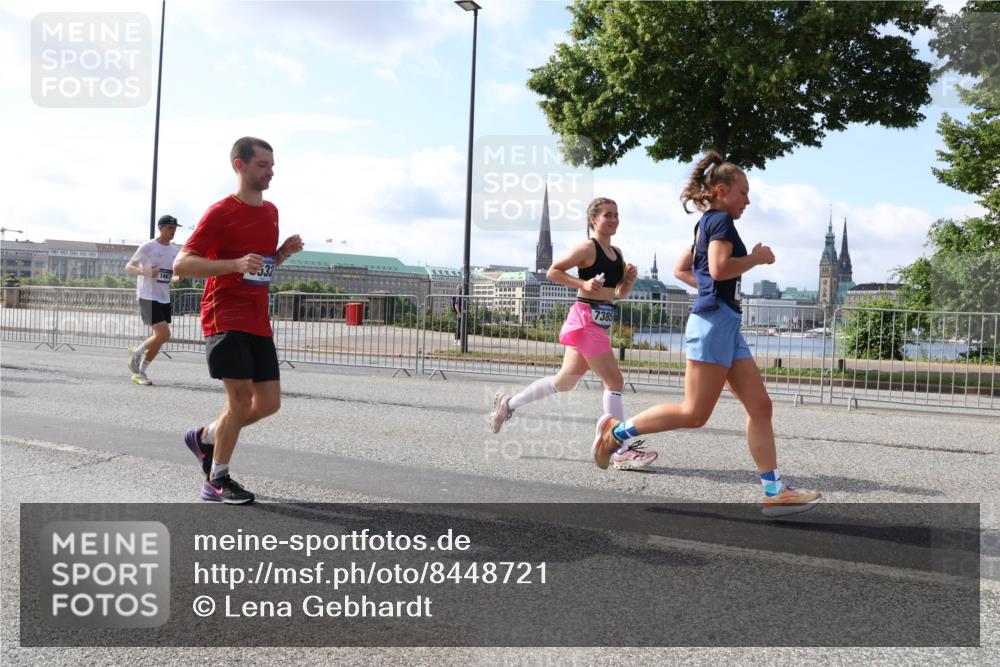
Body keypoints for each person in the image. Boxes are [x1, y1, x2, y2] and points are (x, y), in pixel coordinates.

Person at [591, 153, 821, 516]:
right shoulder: (721, 223)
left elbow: (685, 268)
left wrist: (709, 289)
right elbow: (718, 267)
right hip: (713, 323)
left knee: (761, 406)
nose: (748, 199)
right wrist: (757, 258)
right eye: (743, 192)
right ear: (721, 190)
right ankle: (616, 434)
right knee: (694, 413)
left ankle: (774, 491)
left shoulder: (706, 224)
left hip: (724, 321)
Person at [173, 136, 303, 504]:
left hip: (258, 317)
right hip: (224, 314)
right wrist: (232, 264)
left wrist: (280, 255)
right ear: (239, 165)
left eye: (272, 166)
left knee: (269, 403)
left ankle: (206, 436)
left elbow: (258, 267)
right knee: (241, 399)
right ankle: (216, 480)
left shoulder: (271, 212)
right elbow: (182, 264)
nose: (270, 172)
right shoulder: (220, 212)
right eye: (262, 165)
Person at [489, 197, 659, 471]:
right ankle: (619, 449)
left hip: (598, 322)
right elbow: (554, 272)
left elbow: (619, 294)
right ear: (594, 220)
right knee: (614, 381)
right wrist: (583, 282)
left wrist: (628, 279)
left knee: (564, 382)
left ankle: (510, 404)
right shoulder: (587, 248)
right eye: (608, 215)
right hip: (585, 320)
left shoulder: (616, 252)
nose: (614, 219)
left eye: (616, 215)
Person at [125, 214, 181, 385]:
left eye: (174, 228)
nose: (172, 232)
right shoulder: (148, 247)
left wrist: (178, 277)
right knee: (164, 334)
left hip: (163, 297)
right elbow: (129, 267)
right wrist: (145, 272)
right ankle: (136, 352)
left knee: (160, 337)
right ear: (161, 228)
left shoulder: (175, 251)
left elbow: (174, 275)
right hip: (147, 295)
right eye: (169, 228)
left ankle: (140, 373)